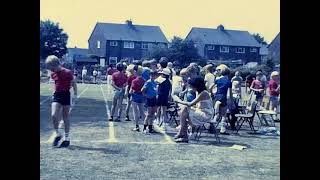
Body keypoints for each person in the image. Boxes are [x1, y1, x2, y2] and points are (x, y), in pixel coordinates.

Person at [45, 55, 78, 147]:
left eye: (50, 67)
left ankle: (67, 138)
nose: (50, 69)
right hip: (57, 95)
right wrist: (53, 92)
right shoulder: (53, 73)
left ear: (55, 64)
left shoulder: (67, 72)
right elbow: (55, 83)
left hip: (66, 94)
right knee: (54, 115)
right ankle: (58, 133)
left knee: (65, 116)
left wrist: (75, 95)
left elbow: (74, 83)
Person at [172, 76, 214, 143]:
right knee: (183, 112)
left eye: (192, 86)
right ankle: (184, 135)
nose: (191, 88)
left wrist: (178, 100)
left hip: (206, 115)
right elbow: (196, 105)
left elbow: (190, 104)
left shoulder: (204, 93)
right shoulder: (198, 92)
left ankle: (181, 133)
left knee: (184, 109)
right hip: (200, 111)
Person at [210, 64, 233, 135]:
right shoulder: (229, 82)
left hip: (217, 96)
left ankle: (211, 127)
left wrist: (212, 93)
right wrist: (230, 101)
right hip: (223, 97)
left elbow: (210, 87)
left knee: (215, 113)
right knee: (223, 114)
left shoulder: (218, 80)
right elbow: (229, 94)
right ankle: (222, 129)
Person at [130, 66, 146, 131]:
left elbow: (131, 91)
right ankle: (147, 125)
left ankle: (137, 126)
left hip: (135, 96)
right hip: (141, 96)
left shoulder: (134, 81)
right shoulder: (144, 80)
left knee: (135, 112)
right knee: (142, 112)